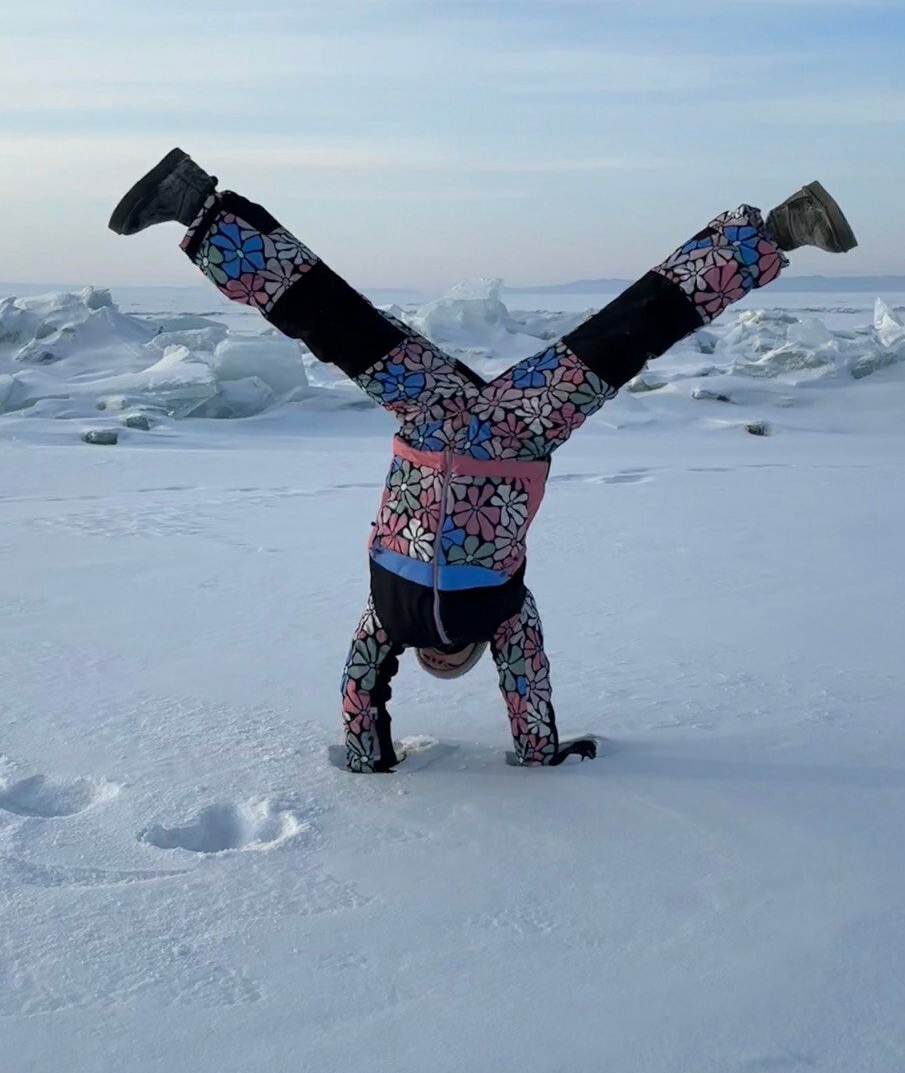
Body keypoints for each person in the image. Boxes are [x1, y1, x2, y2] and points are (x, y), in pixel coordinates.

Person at [109, 150, 858, 771]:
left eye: (439, 667)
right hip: (486, 425)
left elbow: (492, 688)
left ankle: (196, 205)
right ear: (456, 657)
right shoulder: (433, 614)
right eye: (447, 667)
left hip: (469, 420)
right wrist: (392, 753)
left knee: (622, 333)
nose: (439, 664)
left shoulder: (450, 614)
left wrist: (416, 757)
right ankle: (780, 230)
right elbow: (379, 693)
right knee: (335, 318)